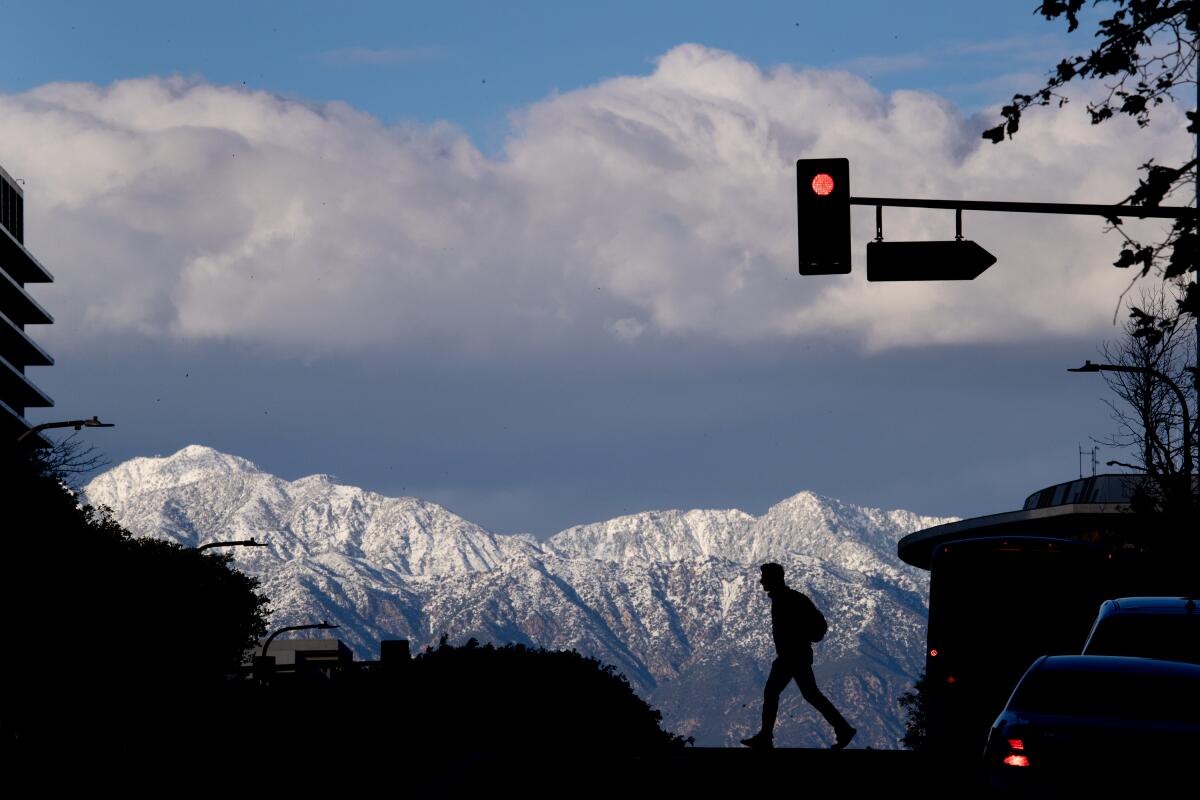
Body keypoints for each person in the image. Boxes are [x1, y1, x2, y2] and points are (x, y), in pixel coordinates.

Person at [741, 562, 856, 750]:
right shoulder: (786, 599)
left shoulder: (788, 600)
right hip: (793, 656)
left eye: (765, 578)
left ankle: (765, 737)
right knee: (809, 694)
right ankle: (843, 729)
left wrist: (796, 640)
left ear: (774, 579)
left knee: (775, 693)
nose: (761, 581)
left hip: (792, 656)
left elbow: (808, 627)